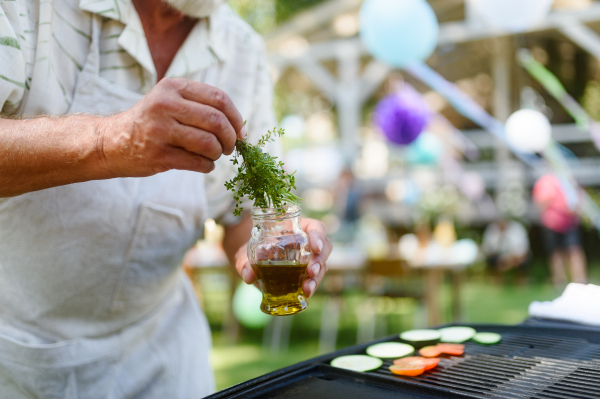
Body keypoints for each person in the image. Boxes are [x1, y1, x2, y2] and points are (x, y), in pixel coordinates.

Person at [0, 0, 332, 397]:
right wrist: (110, 142)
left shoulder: (242, 49)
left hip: (164, 363)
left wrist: (262, 248)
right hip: (22, 361)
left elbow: (242, 218)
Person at [532, 174, 587, 288]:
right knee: (555, 253)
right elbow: (540, 202)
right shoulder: (545, 180)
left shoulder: (569, 179)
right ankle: (559, 281)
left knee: (574, 251)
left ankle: (580, 281)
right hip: (551, 223)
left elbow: (579, 197)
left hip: (570, 222)